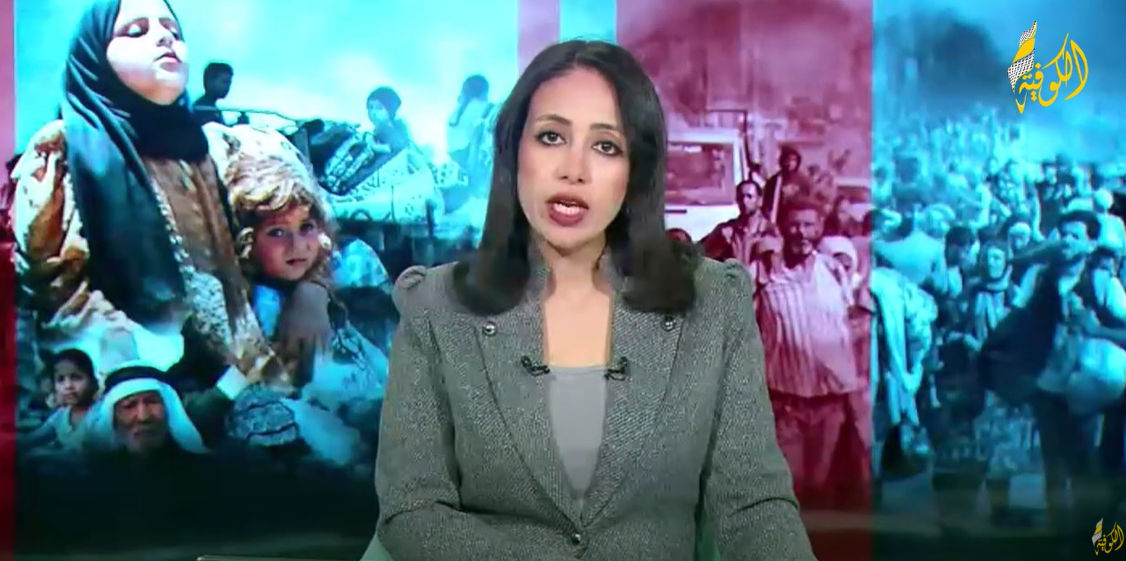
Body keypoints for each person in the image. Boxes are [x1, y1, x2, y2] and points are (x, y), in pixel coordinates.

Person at [368, 39, 814, 561]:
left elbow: (754, 506)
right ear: (513, 150)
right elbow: (412, 511)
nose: (573, 169)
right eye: (551, 137)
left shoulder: (712, 304)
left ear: (635, 170)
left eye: (606, 146)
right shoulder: (437, 308)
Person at [9, 0, 331, 423]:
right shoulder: (67, 155)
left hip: (253, 371)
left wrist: (312, 290)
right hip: (143, 399)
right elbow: (64, 300)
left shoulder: (219, 148)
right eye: (135, 31)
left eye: (172, 30)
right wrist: (160, 390)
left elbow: (296, 229)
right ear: (95, 56)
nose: (163, 37)